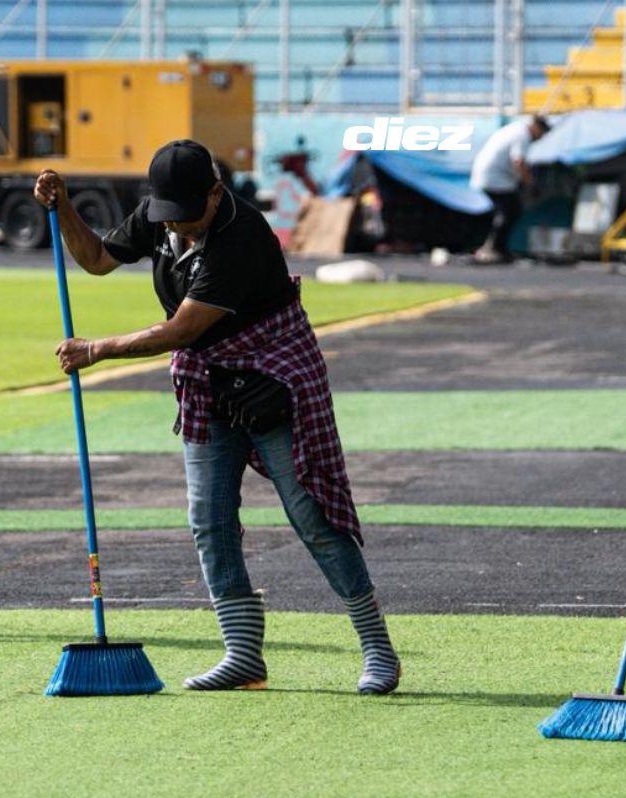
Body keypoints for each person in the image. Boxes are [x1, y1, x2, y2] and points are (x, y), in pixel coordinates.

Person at [33, 140, 401, 694]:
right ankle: (243, 655)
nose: (177, 228)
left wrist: (98, 349)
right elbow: (96, 260)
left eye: (187, 215)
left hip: (271, 376)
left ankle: (378, 650)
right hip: (209, 385)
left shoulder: (242, 234)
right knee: (209, 520)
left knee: (312, 517)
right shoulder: (164, 213)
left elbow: (182, 329)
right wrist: (62, 209)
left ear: (215, 192)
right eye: (167, 217)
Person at [469, 114, 550, 264]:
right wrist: (530, 184)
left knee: (508, 211)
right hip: (495, 178)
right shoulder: (522, 135)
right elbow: (519, 161)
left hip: (492, 176)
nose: (541, 137)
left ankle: (496, 247)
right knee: (510, 211)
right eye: (542, 133)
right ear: (536, 127)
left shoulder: (515, 129)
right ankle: (494, 248)